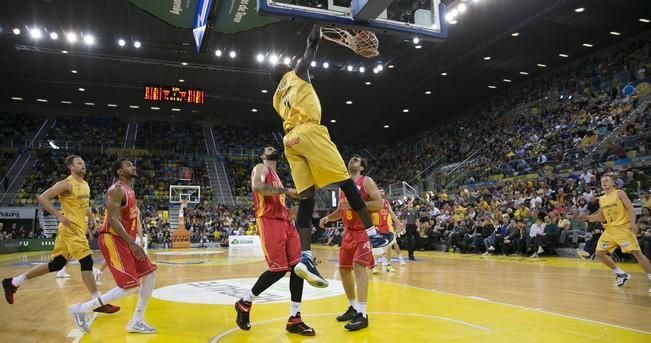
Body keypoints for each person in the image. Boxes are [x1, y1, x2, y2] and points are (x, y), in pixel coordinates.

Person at [270, 25, 390, 288]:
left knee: (306, 198)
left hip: (289, 142)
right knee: (346, 182)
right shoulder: (298, 73)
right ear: (285, 71)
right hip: (309, 131)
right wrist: (317, 25)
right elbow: (311, 46)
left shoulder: (277, 99)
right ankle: (374, 236)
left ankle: (304, 257)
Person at [2, 155, 118, 315]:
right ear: (71, 167)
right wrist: (59, 215)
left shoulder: (85, 185)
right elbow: (42, 198)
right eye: (79, 163)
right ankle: (96, 301)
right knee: (86, 261)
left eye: (84, 163)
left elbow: (84, 206)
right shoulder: (66, 184)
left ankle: (13, 282)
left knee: (56, 264)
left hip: (75, 229)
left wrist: (91, 219)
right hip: (70, 229)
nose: (83, 165)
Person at [69, 159, 158, 333]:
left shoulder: (130, 190)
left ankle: (137, 320)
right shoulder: (116, 190)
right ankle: (81, 309)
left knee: (150, 274)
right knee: (130, 286)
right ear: (120, 171)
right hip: (113, 239)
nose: (133, 166)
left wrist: (134, 240)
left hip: (126, 240)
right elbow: (113, 220)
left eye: (132, 164)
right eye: (128, 165)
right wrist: (132, 244)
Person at [234, 146, 315, 336]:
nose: (271, 148)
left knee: (298, 268)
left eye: (272, 147)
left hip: (285, 223)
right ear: (262, 155)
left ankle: (295, 318)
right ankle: (244, 303)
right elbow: (257, 187)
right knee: (278, 270)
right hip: (269, 222)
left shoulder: (276, 176)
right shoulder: (261, 168)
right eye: (266, 149)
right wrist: (287, 191)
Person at [320, 155, 383, 331]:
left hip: (363, 231)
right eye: (352, 158)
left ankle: (363, 314)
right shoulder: (344, 186)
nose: (353, 159)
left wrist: (357, 202)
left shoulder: (366, 181)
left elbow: (379, 203)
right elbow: (342, 209)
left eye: (358, 160)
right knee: (343, 269)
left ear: (362, 167)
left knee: (358, 266)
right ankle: (353, 307)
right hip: (348, 233)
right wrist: (328, 218)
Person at [578, 174, 651, 292]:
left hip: (623, 228)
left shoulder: (619, 193)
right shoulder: (602, 199)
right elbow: (602, 217)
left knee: (636, 253)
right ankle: (621, 274)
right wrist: (587, 217)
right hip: (610, 230)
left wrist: (633, 224)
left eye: (607, 180)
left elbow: (631, 209)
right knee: (599, 253)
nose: (604, 183)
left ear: (613, 183)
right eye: (602, 181)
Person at [373, 189, 404, 273]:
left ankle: (389, 265)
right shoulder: (373, 202)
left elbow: (392, 213)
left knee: (389, 246)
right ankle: (374, 266)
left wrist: (398, 223)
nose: (382, 192)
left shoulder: (386, 202)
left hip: (386, 227)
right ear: (376, 193)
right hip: (377, 227)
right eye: (379, 191)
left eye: (383, 191)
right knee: (376, 247)